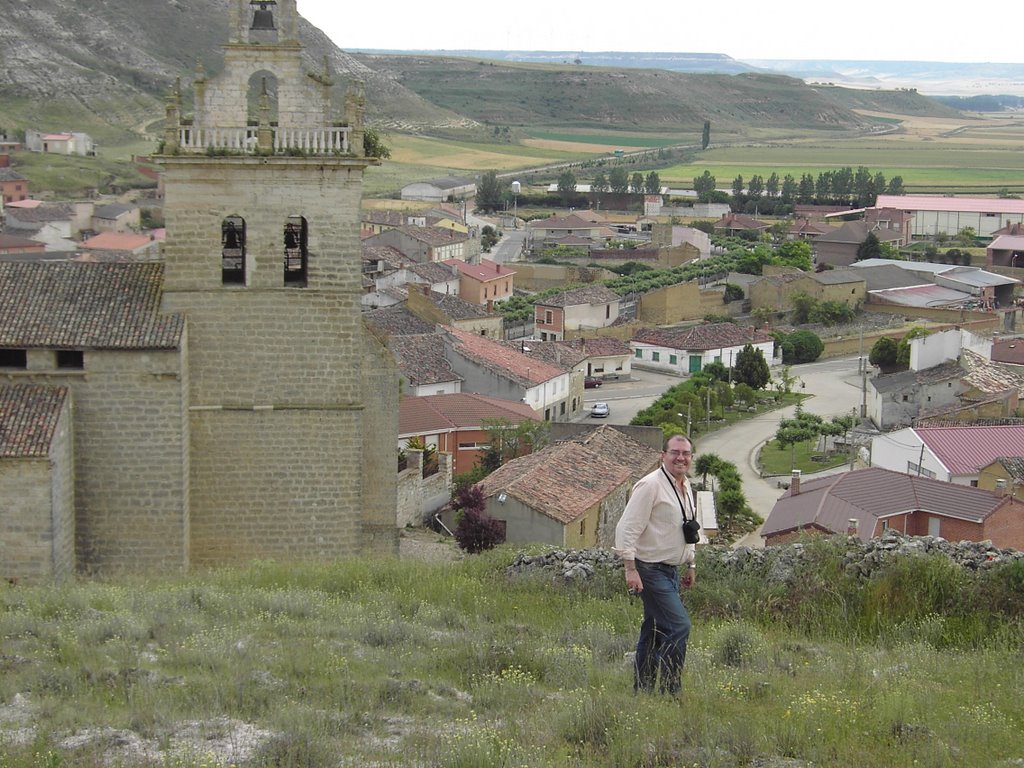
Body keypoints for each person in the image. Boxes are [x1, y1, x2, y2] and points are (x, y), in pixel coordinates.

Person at [614, 434, 698, 695]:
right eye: (675, 452)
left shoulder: (686, 486)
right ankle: (671, 690)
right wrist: (630, 569)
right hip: (649, 570)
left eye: (685, 453)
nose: (680, 458)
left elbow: (689, 528)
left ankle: (643, 690)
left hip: (671, 571)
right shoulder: (650, 485)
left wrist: (691, 564)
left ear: (691, 458)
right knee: (679, 625)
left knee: (654, 632)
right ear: (663, 455)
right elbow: (626, 528)